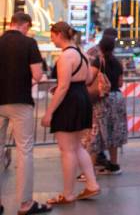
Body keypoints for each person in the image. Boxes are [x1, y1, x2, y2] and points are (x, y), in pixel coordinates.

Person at [41, 22, 100, 205]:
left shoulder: (66, 56)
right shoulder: (82, 53)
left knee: (67, 150)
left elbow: (65, 86)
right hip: (82, 98)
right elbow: (89, 79)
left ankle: (68, 194)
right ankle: (91, 184)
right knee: (76, 147)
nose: (51, 39)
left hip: (69, 102)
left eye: (52, 35)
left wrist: (49, 113)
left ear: (59, 34)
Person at [0, 12, 52, 215]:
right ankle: (25, 204)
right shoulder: (29, 43)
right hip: (20, 102)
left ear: (11, 23)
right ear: (25, 25)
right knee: (25, 151)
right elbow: (38, 75)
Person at [89, 36, 127, 175]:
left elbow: (89, 78)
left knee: (97, 131)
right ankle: (114, 164)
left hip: (102, 99)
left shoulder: (98, 61)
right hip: (117, 98)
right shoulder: (118, 62)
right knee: (114, 130)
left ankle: (90, 169)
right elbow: (120, 83)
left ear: (100, 47)